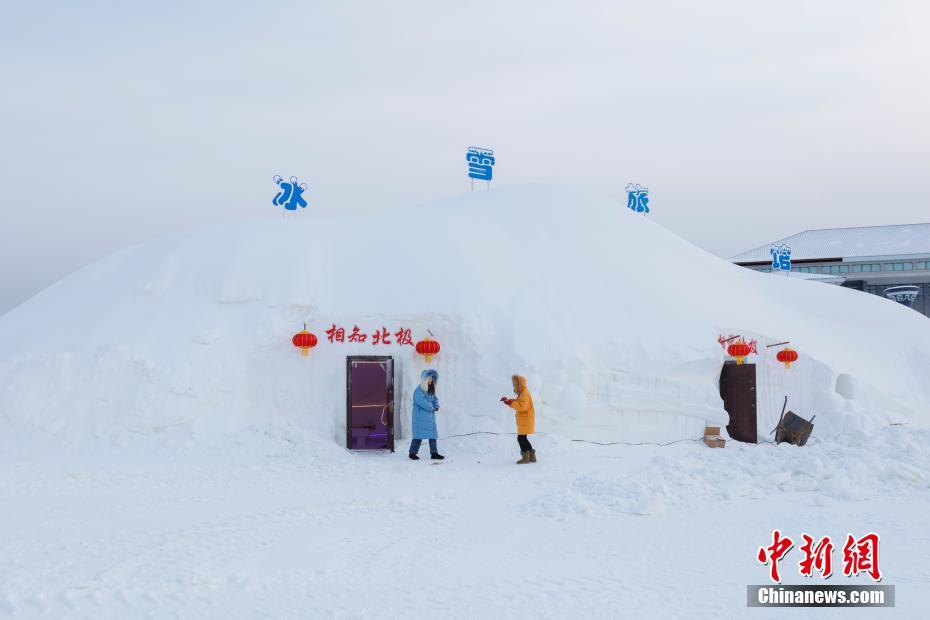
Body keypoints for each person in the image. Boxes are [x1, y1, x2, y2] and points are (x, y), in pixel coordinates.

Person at [500, 374, 536, 464]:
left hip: (525, 419)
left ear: (520, 385)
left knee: (521, 438)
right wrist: (509, 401)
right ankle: (532, 457)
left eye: (516, 385)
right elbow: (519, 402)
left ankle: (525, 458)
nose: (515, 387)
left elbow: (522, 406)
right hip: (525, 419)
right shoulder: (523, 392)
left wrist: (510, 403)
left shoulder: (524, 393)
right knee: (523, 438)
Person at [409, 369, 444, 460]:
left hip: (429, 417)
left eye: (432, 379)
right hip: (420, 417)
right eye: (429, 379)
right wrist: (432, 407)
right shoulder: (418, 390)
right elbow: (423, 402)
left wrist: (436, 406)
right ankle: (412, 453)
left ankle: (434, 453)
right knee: (418, 435)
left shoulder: (431, 389)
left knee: (432, 435)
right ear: (424, 380)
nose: (430, 381)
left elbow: (435, 399)